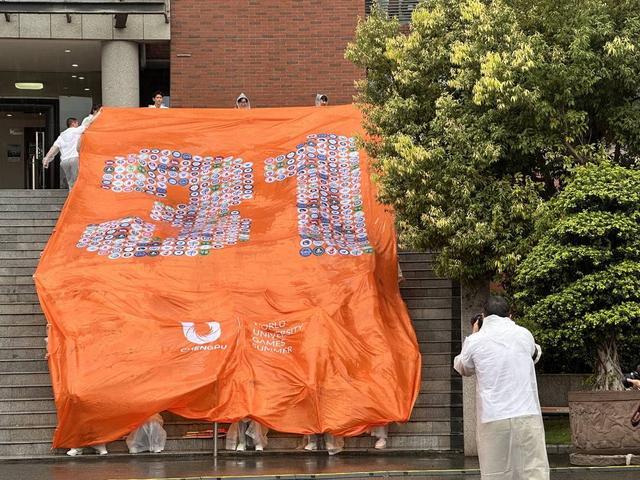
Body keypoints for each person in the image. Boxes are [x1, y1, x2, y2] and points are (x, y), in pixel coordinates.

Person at [453, 296, 549, 480]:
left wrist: (474, 333)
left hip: (493, 415)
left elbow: (462, 366)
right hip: (526, 412)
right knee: (533, 470)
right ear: (510, 315)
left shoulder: (475, 341)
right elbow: (536, 353)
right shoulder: (524, 334)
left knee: (496, 473)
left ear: (483, 316)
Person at [43, 115, 98, 189]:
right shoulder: (76, 131)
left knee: (70, 183)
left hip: (64, 161)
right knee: (77, 181)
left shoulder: (61, 136)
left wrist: (46, 159)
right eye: (77, 123)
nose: (78, 125)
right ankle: (77, 198)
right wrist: (99, 113)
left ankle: (71, 196)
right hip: (74, 158)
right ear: (73, 123)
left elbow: (54, 148)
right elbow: (89, 122)